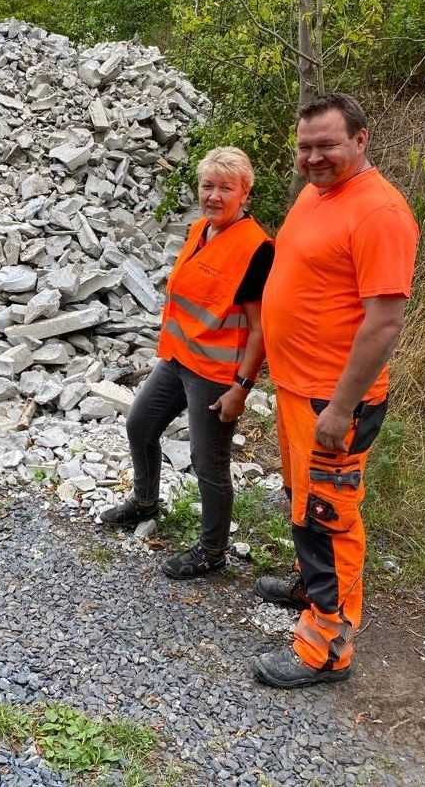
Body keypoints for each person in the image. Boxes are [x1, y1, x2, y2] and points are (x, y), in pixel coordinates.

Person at [254, 93, 419, 689]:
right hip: (298, 389)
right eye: (305, 147)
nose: (314, 158)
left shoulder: (379, 213)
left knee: (330, 517)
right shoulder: (316, 194)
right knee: (304, 501)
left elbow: (384, 322)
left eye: (327, 145)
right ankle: (309, 589)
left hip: (334, 400)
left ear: (360, 140)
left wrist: (342, 407)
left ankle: (328, 646)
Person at [101, 147, 274, 580]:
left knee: (207, 460)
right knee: (140, 425)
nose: (214, 195)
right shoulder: (201, 229)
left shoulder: (256, 249)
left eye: (225, 188)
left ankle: (212, 552)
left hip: (216, 375)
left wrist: (241, 388)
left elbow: (260, 329)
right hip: (179, 360)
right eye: (207, 186)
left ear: (245, 193)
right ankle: (144, 503)